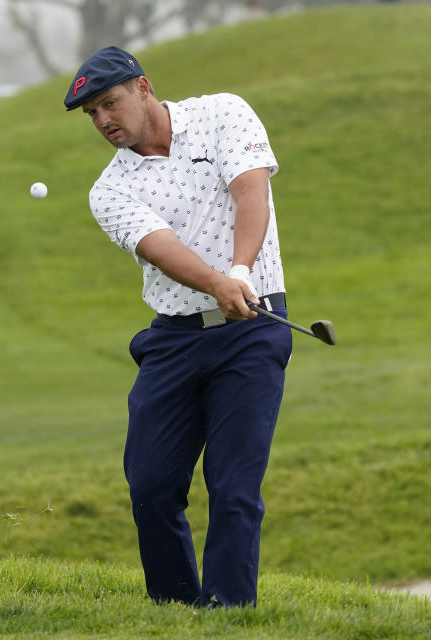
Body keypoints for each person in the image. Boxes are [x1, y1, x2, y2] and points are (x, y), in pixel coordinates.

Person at [64, 46, 292, 607]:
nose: (103, 121)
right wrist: (218, 284)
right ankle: (175, 608)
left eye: (109, 104)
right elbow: (162, 250)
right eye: (92, 114)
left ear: (142, 88)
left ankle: (228, 610)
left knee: (233, 485)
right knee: (150, 484)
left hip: (252, 330)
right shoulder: (110, 190)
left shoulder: (223, 113)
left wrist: (239, 271)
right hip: (174, 338)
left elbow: (250, 192)